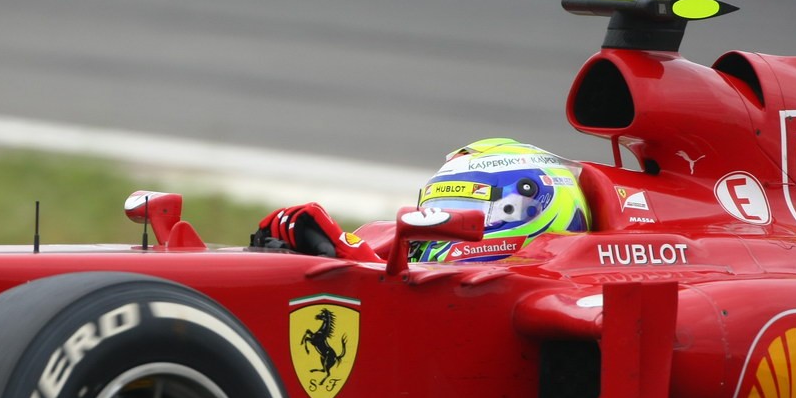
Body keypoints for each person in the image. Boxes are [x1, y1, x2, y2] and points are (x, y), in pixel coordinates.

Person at [251, 139, 591, 263]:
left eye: (465, 209)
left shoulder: (578, 291)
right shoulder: (383, 238)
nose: (441, 223)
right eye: (437, 207)